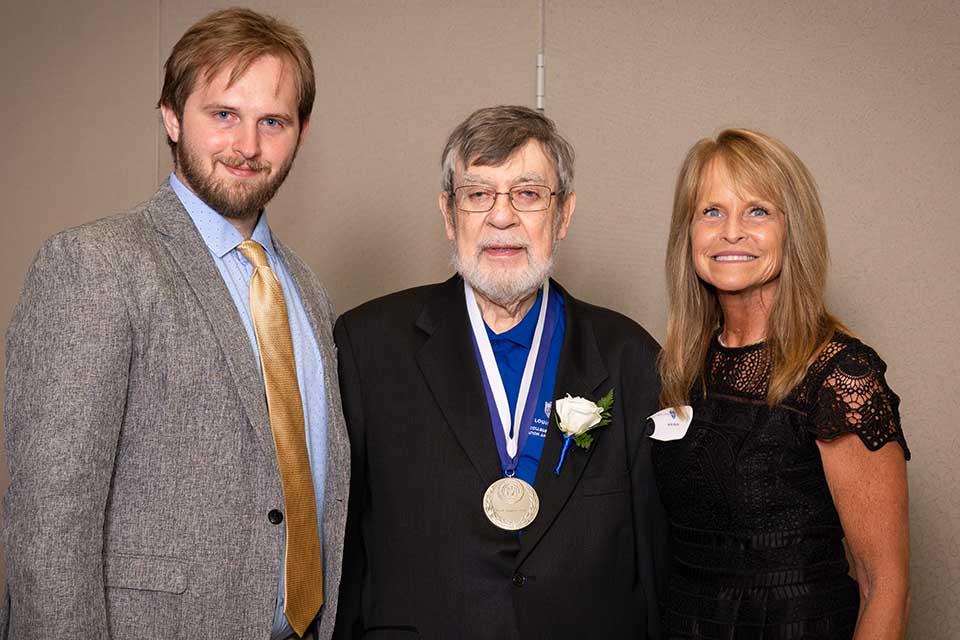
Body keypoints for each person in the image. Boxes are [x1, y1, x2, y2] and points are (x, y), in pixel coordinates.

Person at [2, 8, 348, 639]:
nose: (248, 146)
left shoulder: (307, 291)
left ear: (301, 132)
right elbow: (49, 523)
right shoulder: (95, 264)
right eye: (224, 115)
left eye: (272, 121)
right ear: (171, 116)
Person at [331, 105, 668, 640]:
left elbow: (656, 566)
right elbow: (343, 551)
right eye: (478, 194)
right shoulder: (367, 346)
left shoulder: (631, 357)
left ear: (563, 214)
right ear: (449, 214)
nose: (502, 217)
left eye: (528, 194)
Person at [653, 128, 910, 639]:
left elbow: (885, 587)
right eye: (711, 211)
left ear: (794, 231)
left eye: (758, 211)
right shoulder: (683, 367)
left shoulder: (840, 376)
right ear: (688, 234)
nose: (731, 232)